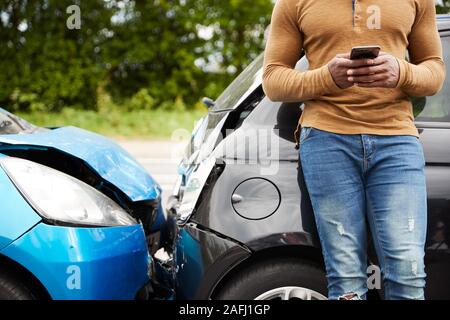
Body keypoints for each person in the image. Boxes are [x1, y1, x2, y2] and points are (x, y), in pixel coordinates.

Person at [262, 0, 446, 300]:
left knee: (408, 273)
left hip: (397, 140)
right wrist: (327, 76)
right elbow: (272, 80)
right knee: (346, 278)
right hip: (327, 141)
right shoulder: (293, 2)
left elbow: (435, 71)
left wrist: (401, 72)